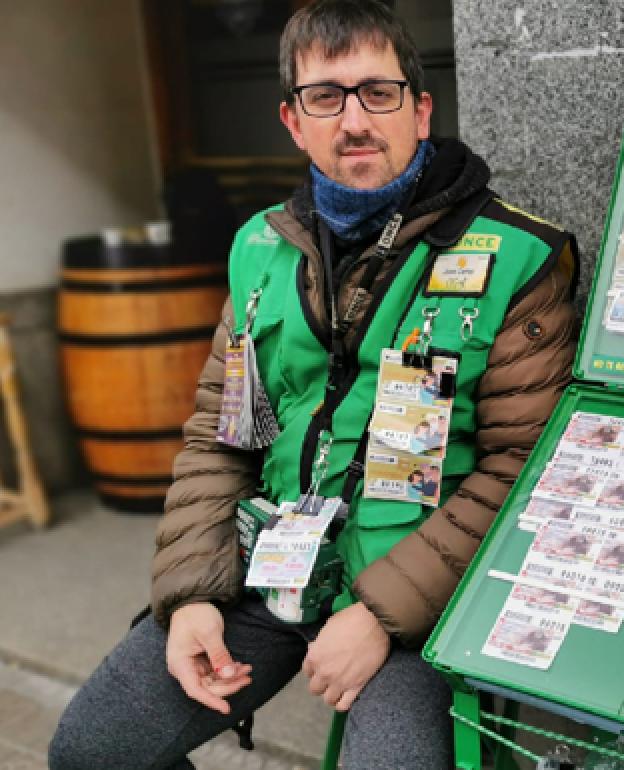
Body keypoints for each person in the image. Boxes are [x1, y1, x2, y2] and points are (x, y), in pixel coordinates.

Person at [49, 2, 578, 768]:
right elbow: (221, 433)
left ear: (420, 109)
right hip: (270, 571)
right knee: (93, 749)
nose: (354, 119)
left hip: (419, 598)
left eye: (378, 92)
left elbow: (524, 469)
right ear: (294, 121)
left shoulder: (520, 257)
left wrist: (379, 614)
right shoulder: (259, 247)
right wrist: (192, 592)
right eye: (325, 96)